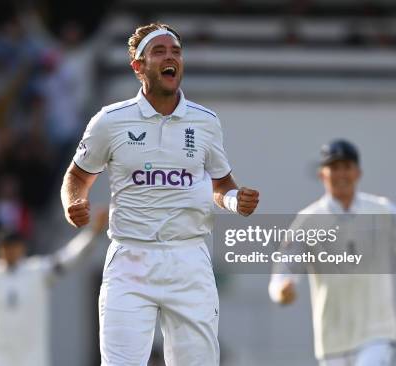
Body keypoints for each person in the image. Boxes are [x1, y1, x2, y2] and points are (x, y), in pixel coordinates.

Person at [60, 22, 260, 366]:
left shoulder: (206, 121)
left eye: (176, 52)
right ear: (138, 66)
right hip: (131, 259)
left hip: (189, 258)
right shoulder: (110, 121)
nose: (171, 57)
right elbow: (77, 176)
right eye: (159, 51)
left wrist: (233, 199)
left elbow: (221, 184)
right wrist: (74, 202)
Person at [268, 139, 396, 366]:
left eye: (346, 167)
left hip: (377, 332)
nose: (341, 174)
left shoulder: (382, 210)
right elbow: (281, 273)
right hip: (332, 339)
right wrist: (282, 291)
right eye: (334, 168)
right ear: (322, 174)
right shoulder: (308, 221)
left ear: (358, 172)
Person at [0, 192, 108, 366]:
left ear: (22, 248)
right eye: (5, 247)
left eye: (13, 247)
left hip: (32, 359)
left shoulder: (38, 271)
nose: (9, 251)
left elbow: (69, 257)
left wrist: (92, 234)